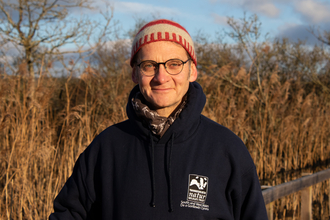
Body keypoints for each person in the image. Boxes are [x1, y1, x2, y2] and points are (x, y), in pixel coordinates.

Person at [49, 19, 268, 220]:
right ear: (135, 74)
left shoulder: (226, 149)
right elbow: (68, 214)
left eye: (174, 64)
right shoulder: (106, 148)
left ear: (192, 71)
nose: (161, 77)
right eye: (149, 65)